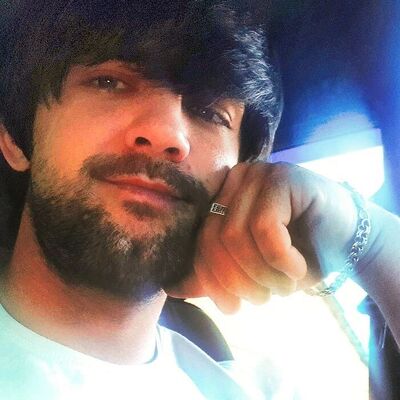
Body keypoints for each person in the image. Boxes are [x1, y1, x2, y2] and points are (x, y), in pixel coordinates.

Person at [0, 0, 399, 399]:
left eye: (210, 113)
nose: (168, 134)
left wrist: (369, 241)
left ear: (242, 176)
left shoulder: (261, 388)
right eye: (109, 82)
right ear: (15, 139)